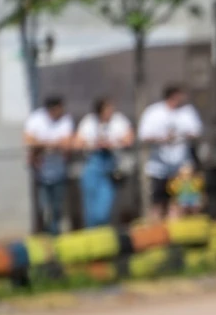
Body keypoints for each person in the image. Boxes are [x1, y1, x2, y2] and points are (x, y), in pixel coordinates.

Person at [138, 85, 204, 219]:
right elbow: (143, 135)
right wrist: (162, 138)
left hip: (182, 167)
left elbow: (197, 131)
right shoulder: (154, 112)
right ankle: (158, 226)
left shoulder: (187, 111)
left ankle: (180, 224)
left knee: (185, 201)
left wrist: (183, 134)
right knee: (158, 202)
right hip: (159, 167)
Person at [75, 97, 134, 228]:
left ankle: (103, 228)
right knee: (90, 205)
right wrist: (94, 144)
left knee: (103, 208)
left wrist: (112, 143)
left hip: (110, 165)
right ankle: (91, 232)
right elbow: (78, 143)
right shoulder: (89, 122)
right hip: (93, 164)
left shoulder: (118, 120)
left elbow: (129, 139)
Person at [24, 96, 74, 235]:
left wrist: (43, 144)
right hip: (41, 171)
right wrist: (52, 144)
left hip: (59, 170)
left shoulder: (65, 120)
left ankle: (55, 234)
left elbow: (67, 142)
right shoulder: (36, 119)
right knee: (44, 208)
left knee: (57, 207)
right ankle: (46, 234)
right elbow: (28, 140)